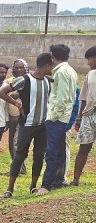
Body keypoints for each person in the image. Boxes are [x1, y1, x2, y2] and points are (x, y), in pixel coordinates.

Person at [0, 53, 54, 197]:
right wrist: (17, 104)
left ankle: (33, 186)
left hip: (43, 125)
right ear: (47, 65)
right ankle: (9, 189)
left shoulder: (48, 81)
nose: (53, 68)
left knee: (39, 156)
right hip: (27, 125)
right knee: (20, 156)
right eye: (52, 65)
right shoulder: (24, 80)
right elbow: (2, 92)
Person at [36, 44, 78, 195]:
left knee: (52, 152)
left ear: (53, 56)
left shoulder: (61, 72)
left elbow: (62, 98)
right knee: (59, 151)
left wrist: (53, 117)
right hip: (63, 117)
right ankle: (57, 181)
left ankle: (46, 185)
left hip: (57, 119)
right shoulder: (70, 70)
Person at [72, 46, 96, 185]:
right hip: (88, 115)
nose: (88, 62)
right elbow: (84, 97)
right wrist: (79, 117)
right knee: (84, 148)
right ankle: (76, 180)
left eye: (89, 59)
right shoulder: (90, 75)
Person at [5, 59, 30, 174]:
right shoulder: (9, 81)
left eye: (21, 67)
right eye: (17, 68)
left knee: (17, 142)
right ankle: (21, 168)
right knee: (12, 144)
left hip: (24, 116)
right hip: (12, 115)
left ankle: (17, 169)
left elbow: (14, 95)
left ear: (26, 68)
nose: (19, 69)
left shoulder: (29, 80)